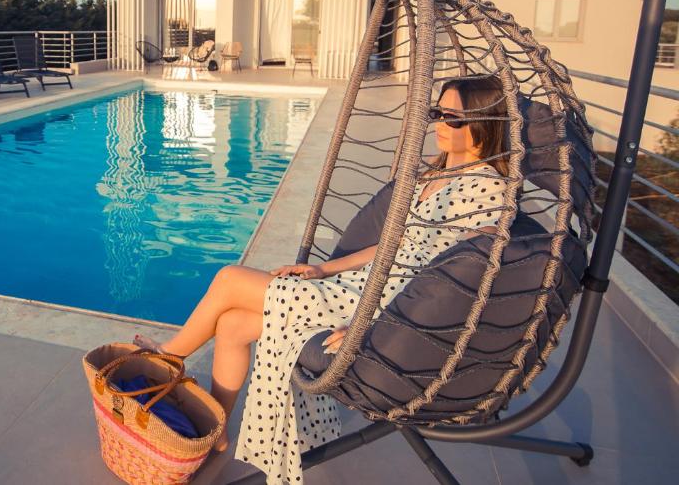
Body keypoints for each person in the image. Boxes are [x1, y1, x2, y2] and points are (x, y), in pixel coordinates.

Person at [134, 76, 510, 484]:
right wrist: (322, 269)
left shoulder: (487, 190)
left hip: (380, 305)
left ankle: (168, 359)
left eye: (452, 118)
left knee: (229, 278)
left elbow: (450, 284)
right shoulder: (432, 175)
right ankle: (217, 432)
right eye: (436, 112)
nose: (438, 122)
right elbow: (393, 246)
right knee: (232, 324)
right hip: (361, 286)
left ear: (483, 123)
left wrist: (374, 326)